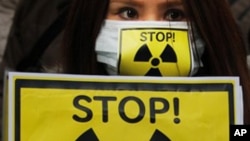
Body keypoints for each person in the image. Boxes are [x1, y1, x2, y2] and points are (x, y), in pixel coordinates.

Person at [59, 0, 250, 124]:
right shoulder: (52, 118)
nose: (150, 30)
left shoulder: (239, 120)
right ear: (91, 20)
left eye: (174, 15)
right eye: (129, 13)